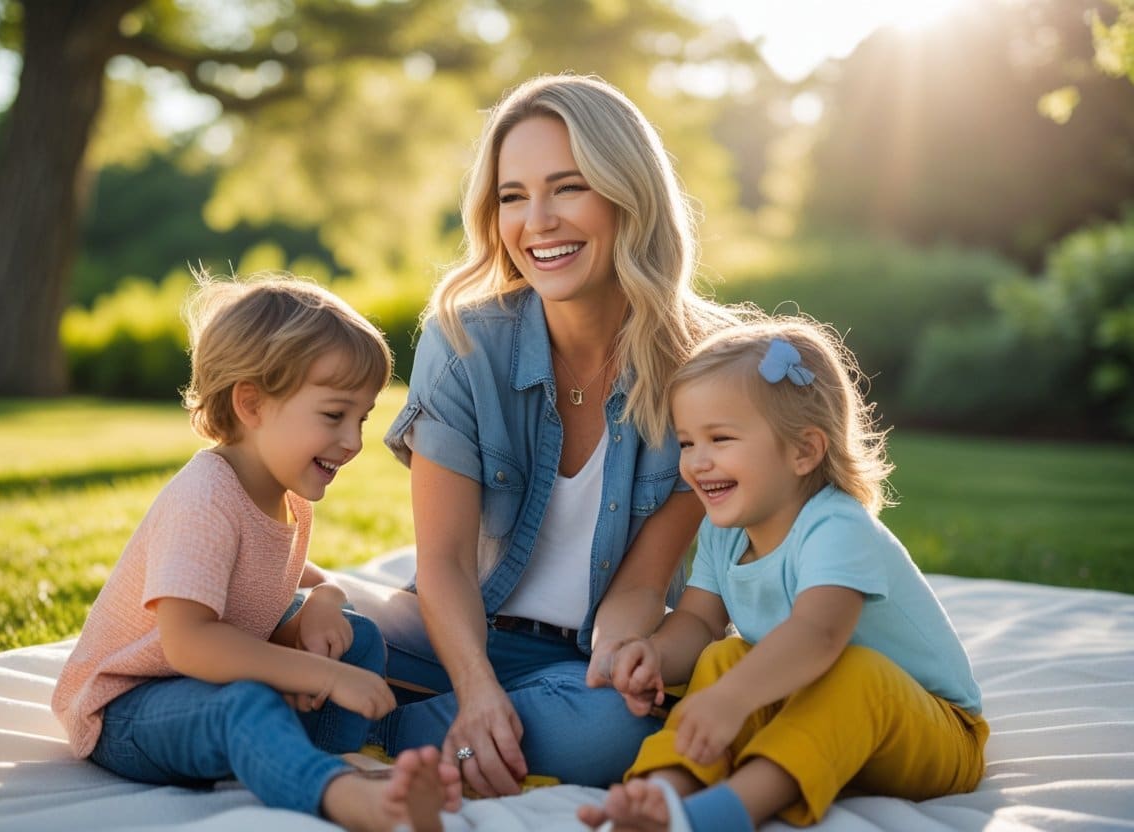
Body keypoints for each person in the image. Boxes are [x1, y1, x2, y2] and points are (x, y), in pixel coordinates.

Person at [328, 72, 742, 796]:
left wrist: (616, 661)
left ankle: (381, 729)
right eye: (513, 197)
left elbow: (645, 583)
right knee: (290, 624)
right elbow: (445, 564)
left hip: (581, 660)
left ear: (628, 194)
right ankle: (449, 723)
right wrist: (477, 690)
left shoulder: (704, 368)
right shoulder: (464, 342)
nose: (537, 221)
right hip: (453, 635)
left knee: (609, 728)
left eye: (568, 187)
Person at [51, 272, 461, 832]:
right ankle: (340, 794)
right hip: (130, 708)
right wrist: (319, 675)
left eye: (361, 418)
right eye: (334, 415)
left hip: (211, 684)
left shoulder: (284, 496)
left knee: (356, 635)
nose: (353, 442)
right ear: (252, 403)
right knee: (247, 704)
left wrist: (326, 599)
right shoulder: (206, 497)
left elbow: (291, 577)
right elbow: (189, 642)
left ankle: (338, 756)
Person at [577, 316, 989, 832]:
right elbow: (698, 622)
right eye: (686, 443)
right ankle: (664, 792)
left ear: (803, 451)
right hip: (810, 711)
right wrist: (656, 655)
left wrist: (734, 698)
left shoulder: (836, 526)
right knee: (723, 656)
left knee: (856, 672)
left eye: (720, 438)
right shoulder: (726, 533)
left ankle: (719, 816)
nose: (697, 462)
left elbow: (818, 635)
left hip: (932, 731)